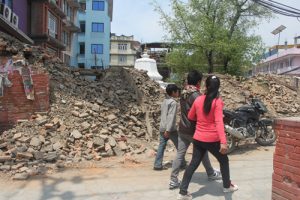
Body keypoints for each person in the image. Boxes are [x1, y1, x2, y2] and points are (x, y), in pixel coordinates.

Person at [178, 75, 238, 200]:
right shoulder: (217, 102)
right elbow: (219, 122)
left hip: (198, 138)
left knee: (193, 164)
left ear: (206, 86)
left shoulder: (198, 100)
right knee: (224, 161)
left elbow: (190, 116)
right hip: (212, 139)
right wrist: (223, 142)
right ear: (218, 87)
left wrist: (200, 122)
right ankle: (227, 186)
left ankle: (183, 192)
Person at [169, 70, 221, 190]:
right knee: (202, 153)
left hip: (182, 129)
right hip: (194, 130)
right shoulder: (196, 95)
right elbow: (202, 113)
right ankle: (211, 173)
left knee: (180, 155)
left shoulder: (183, 92)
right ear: (198, 82)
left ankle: (173, 180)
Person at [153, 84, 180, 170]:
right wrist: (168, 130)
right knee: (180, 146)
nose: (178, 93)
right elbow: (171, 117)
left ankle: (157, 164)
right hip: (170, 129)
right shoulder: (173, 103)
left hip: (162, 126)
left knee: (161, 146)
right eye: (177, 91)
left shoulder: (164, 101)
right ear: (173, 92)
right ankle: (181, 163)